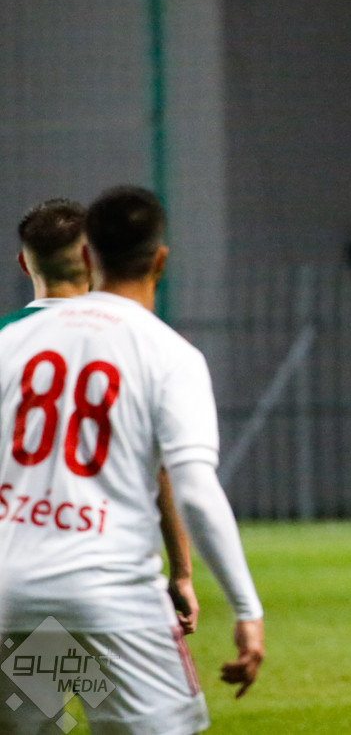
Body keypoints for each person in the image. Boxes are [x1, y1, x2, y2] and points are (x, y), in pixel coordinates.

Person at [0, 187, 265, 734]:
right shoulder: (167, 352)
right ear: (160, 259)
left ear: (90, 255)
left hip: (15, 596)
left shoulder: (12, 341)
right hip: (112, 600)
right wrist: (245, 607)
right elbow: (194, 491)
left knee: (37, 722)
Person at [1, 197, 200, 638]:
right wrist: (182, 572)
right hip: (109, 583)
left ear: (23, 263)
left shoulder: (8, 341)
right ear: (93, 259)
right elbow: (164, 468)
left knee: (44, 681)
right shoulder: (132, 341)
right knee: (144, 690)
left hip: (15, 579)